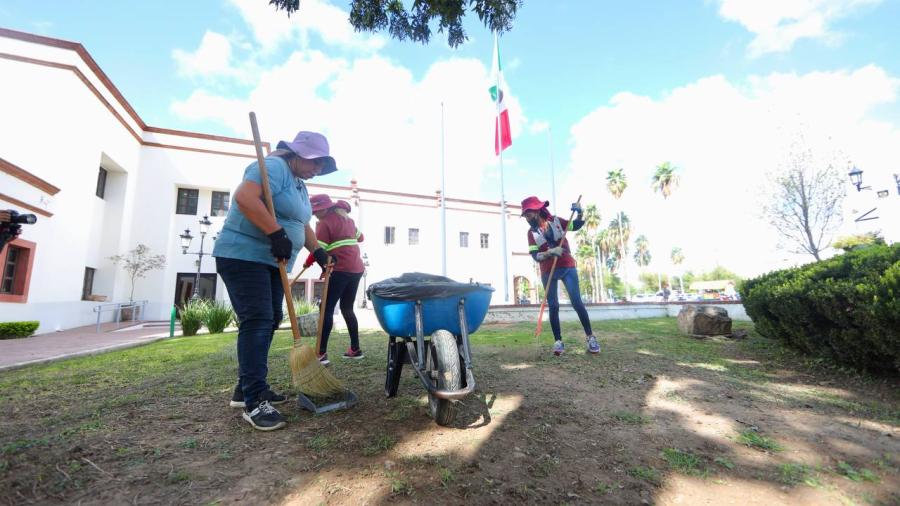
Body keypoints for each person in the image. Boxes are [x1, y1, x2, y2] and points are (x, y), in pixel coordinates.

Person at [213, 131, 336, 431]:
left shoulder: (298, 184)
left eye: (321, 165)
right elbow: (244, 197)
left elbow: (301, 222)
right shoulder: (274, 167)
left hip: (271, 261)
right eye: (315, 162)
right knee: (258, 319)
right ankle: (255, 402)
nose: (317, 169)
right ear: (297, 153)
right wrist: (275, 233)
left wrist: (318, 251)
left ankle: (246, 389)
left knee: (270, 319)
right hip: (244, 255)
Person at [521, 196, 600, 356]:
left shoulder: (557, 221)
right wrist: (550, 252)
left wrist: (579, 213)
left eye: (528, 215)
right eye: (525, 216)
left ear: (537, 211)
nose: (527, 218)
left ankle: (590, 337)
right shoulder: (531, 234)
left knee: (577, 302)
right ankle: (558, 341)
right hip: (547, 271)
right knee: (554, 305)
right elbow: (535, 256)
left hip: (567, 267)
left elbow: (575, 225)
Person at [302, 195, 366, 364]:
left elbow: (318, 250)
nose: (315, 215)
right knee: (347, 308)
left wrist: (307, 263)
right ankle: (355, 349)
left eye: (317, 211)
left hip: (340, 269)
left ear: (326, 208)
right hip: (356, 269)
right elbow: (361, 238)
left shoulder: (324, 223)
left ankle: (321, 353)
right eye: (313, 212)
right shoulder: (348, 220)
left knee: (326, 308)